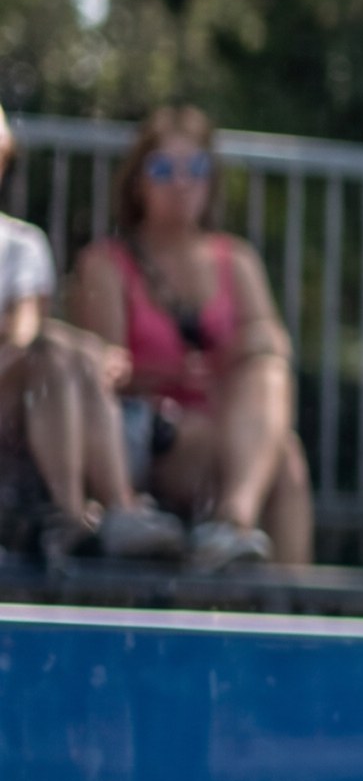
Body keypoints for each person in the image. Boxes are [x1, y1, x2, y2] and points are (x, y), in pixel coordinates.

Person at [64, 105, 311, 567]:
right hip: (151, 437)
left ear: (211, 179)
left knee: (275, 403)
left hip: (226, 426)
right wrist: (185, 370)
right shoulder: (107, 263)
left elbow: (271, 345)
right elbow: (106, 372)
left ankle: (240, 533)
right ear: (138, 181)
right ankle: (248, 553)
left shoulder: (236, 260)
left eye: (195, 168)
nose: (182, 182)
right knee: (285, 461)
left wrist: (233, 357)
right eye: (164, 169)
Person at [0, 107, 181, 563]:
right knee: (65, 350)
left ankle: (88, 511)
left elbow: (23, 337)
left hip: (13, 390)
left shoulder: (22, 245)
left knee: (67, 353)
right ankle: (93, 510)